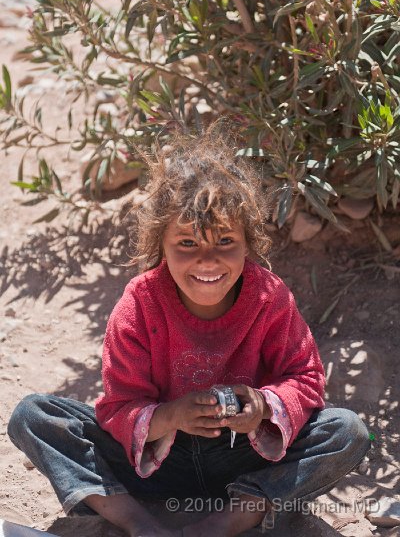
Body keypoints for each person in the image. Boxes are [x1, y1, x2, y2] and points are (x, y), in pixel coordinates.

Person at [8, 127, 370, 537]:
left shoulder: (268, 297)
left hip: (243, 461)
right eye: (186, 243)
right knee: (35, 416)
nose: (207, 260)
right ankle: (140, 524)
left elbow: (306, 380)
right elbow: (116, 407)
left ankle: (229, 521)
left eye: (225, 240)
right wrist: (170, 416)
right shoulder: (140, 302)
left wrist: (263, 406)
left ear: (248, 242)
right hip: (157, 466)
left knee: (346, 431)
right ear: (159, 243)